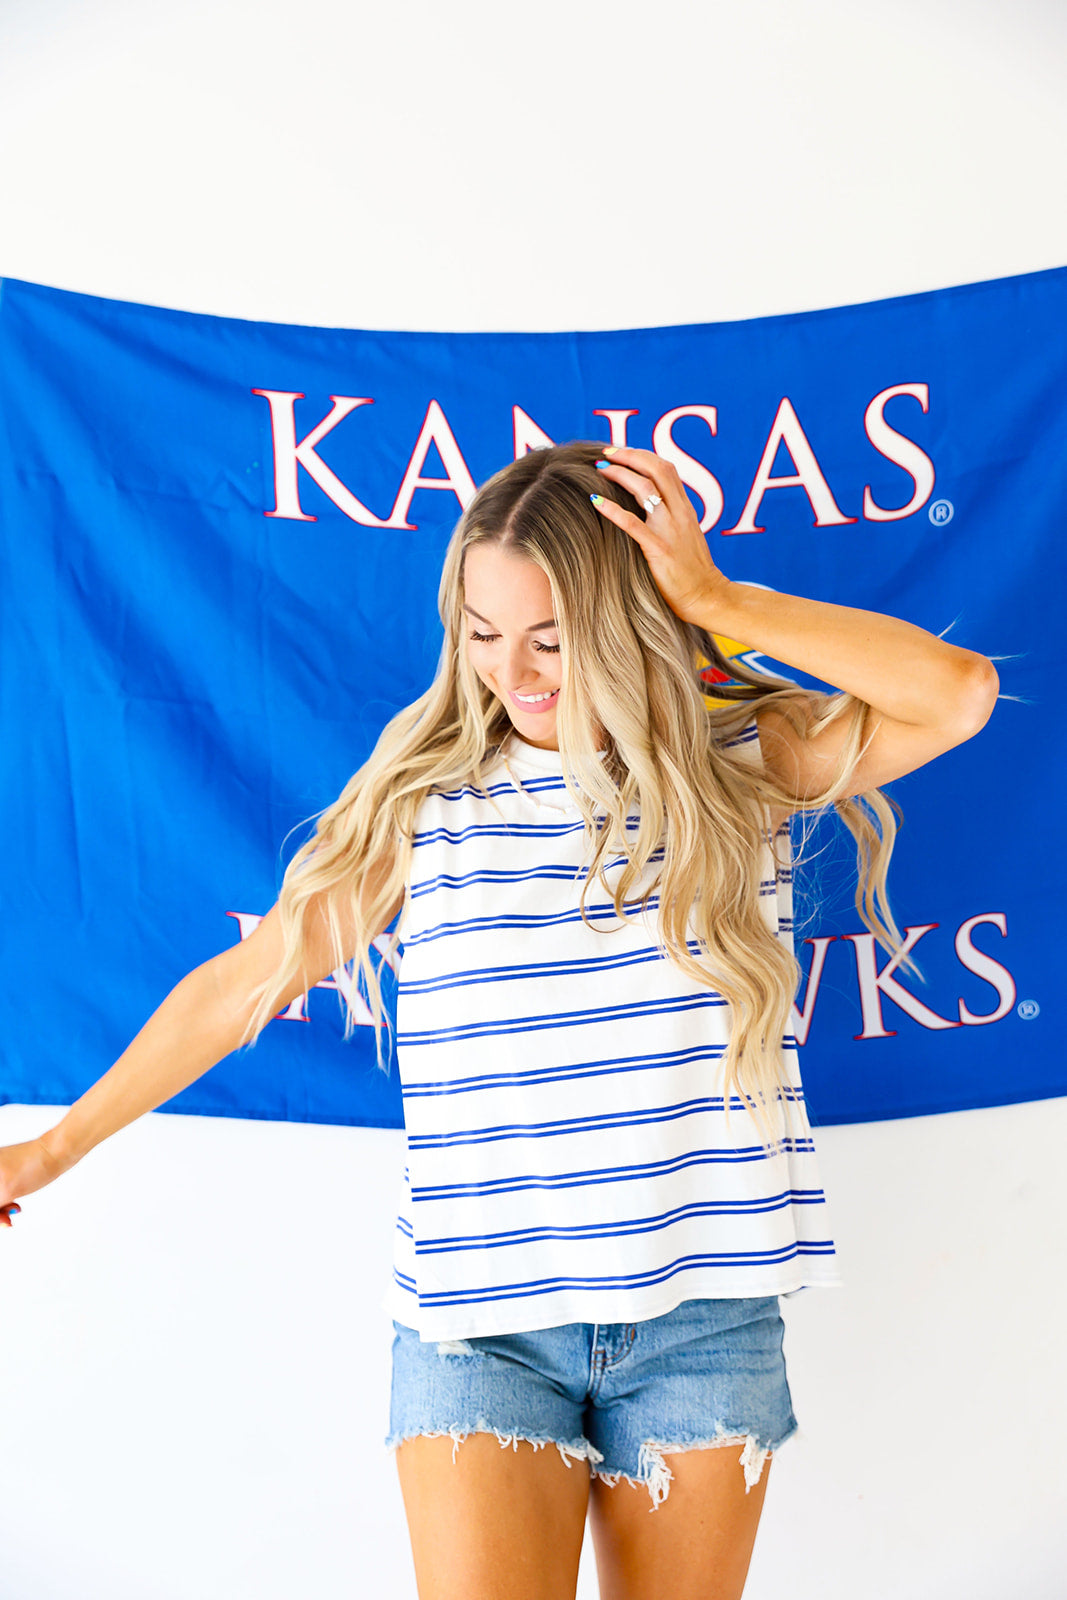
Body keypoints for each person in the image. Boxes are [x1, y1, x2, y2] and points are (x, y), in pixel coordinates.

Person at [0, 441, 998, 1600]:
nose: (511, 671)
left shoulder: (743, 765)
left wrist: (719, 602)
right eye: (481, 632)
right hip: (479, 1328)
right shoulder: (423, 799)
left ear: (629, 614)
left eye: (550, 636)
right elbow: (246, 979)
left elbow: (958, 693)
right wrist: (50, 1145)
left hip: (701, 1321)